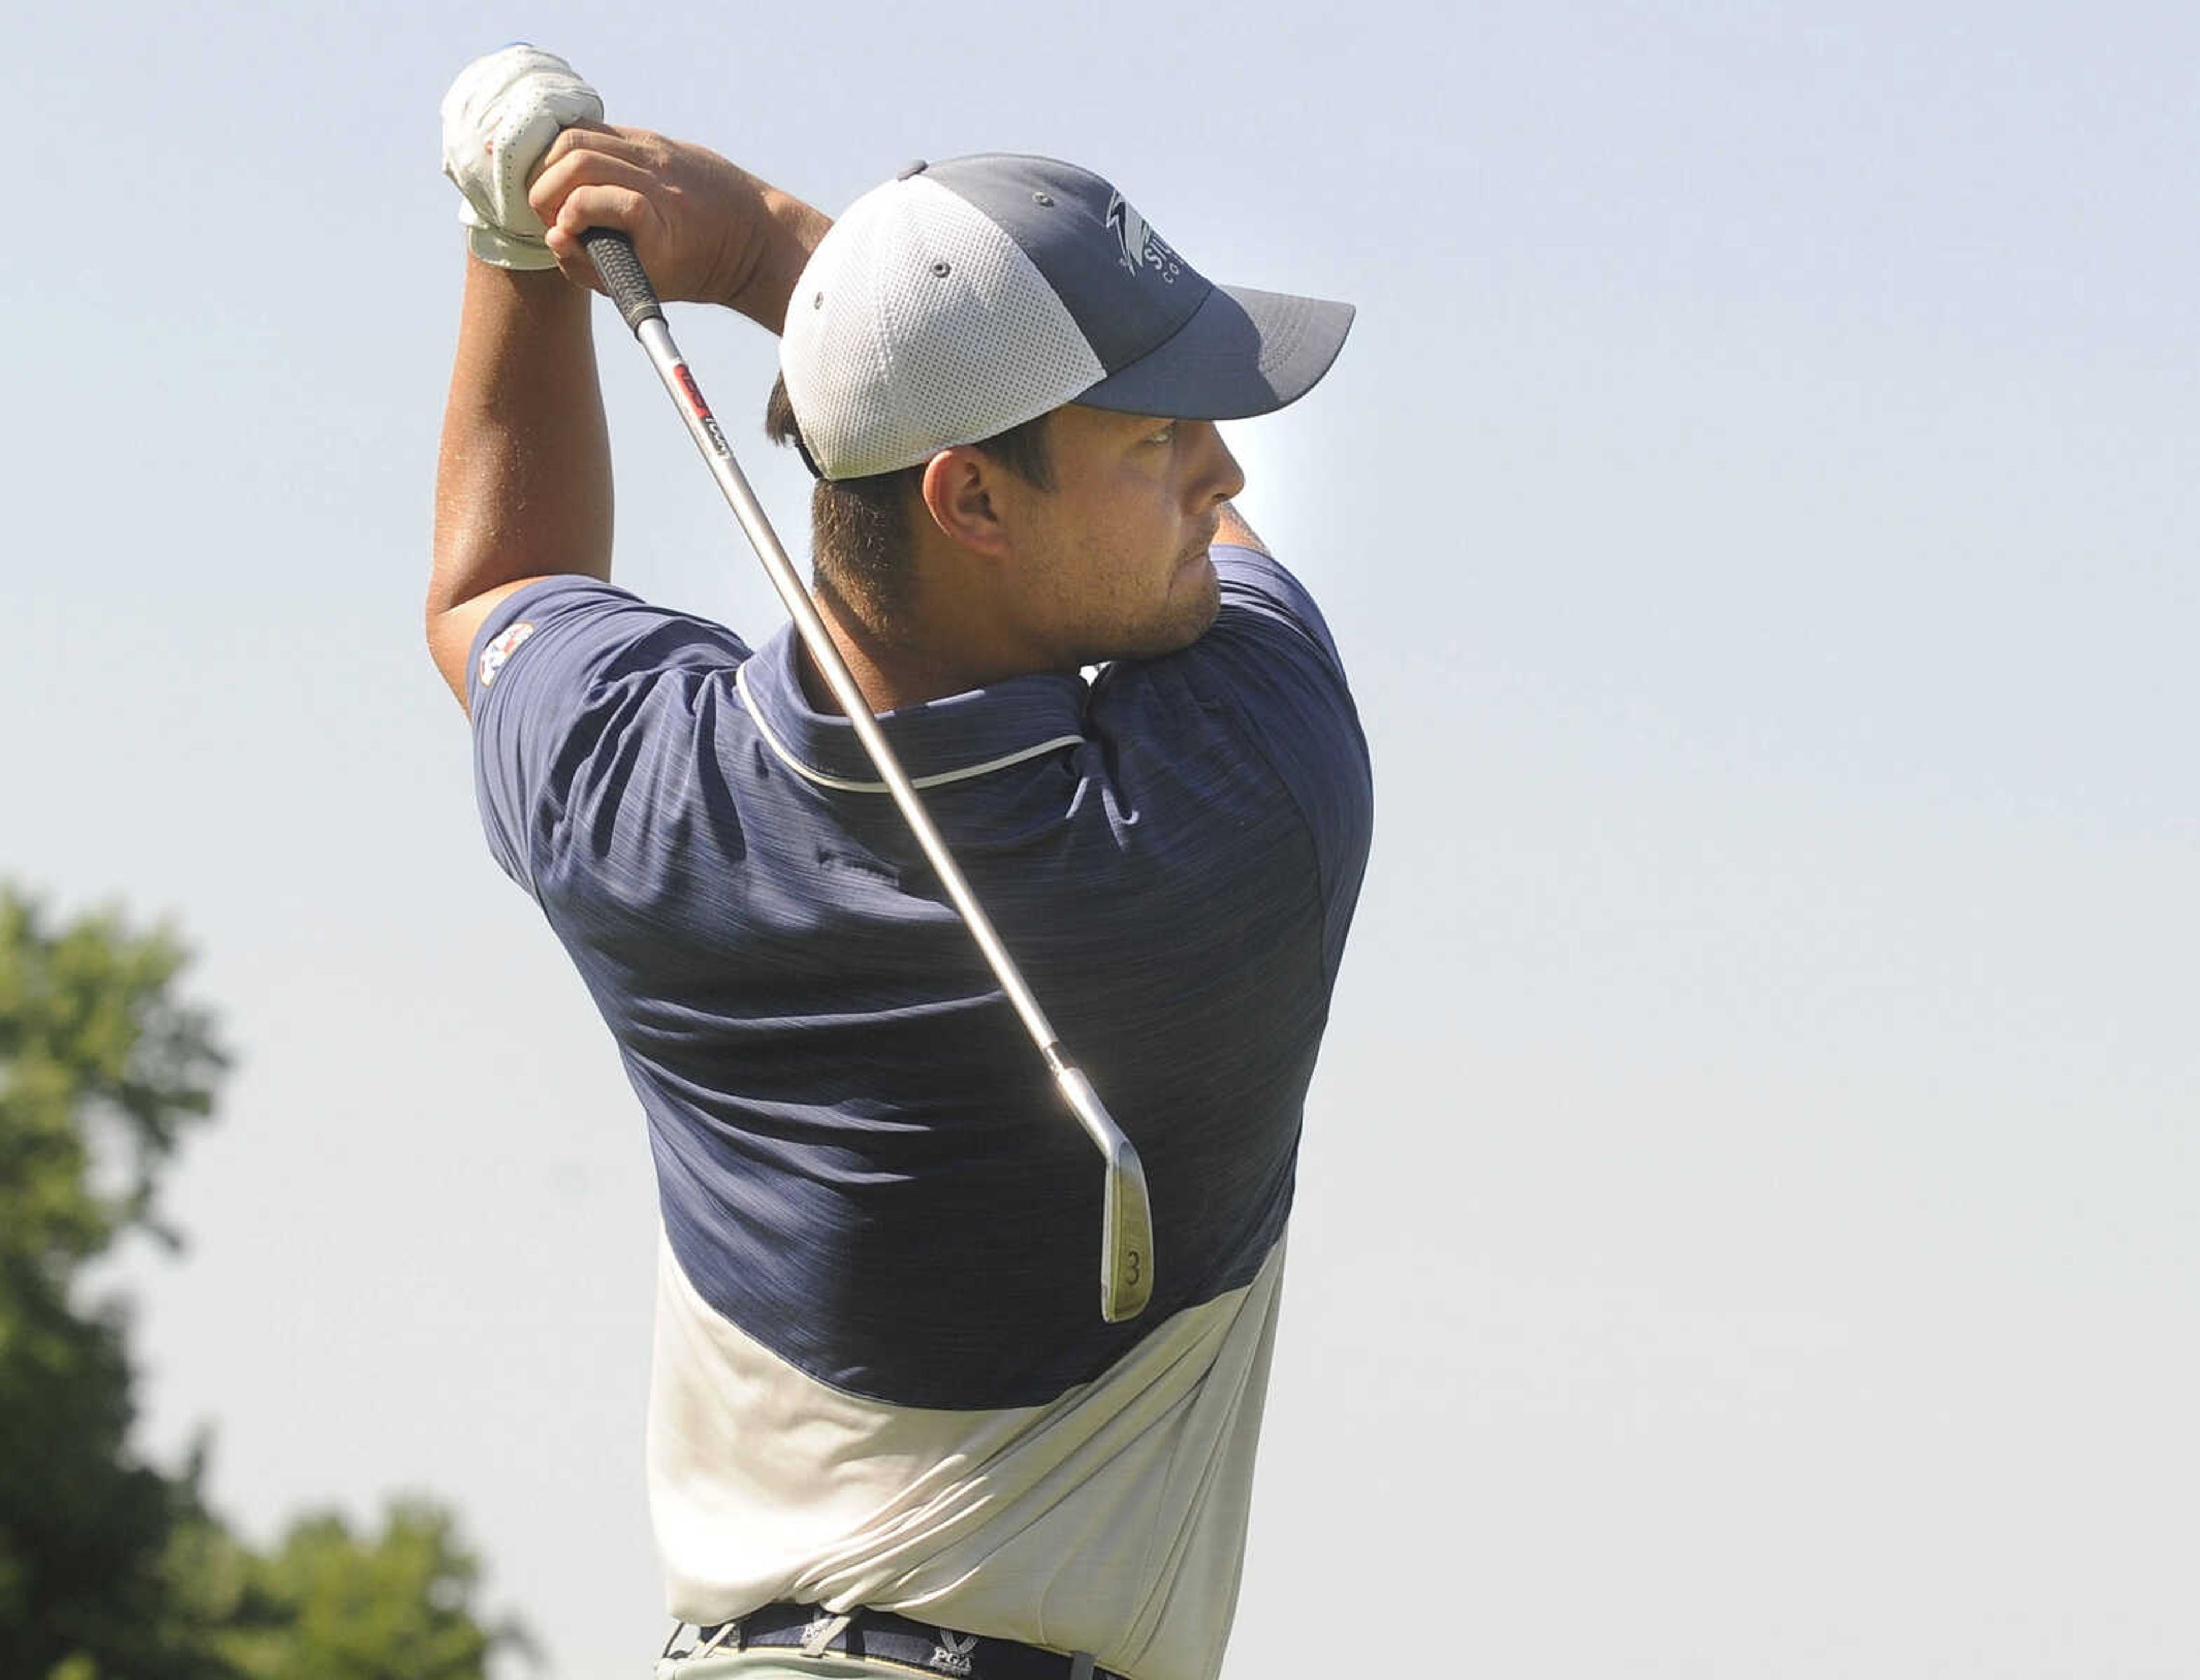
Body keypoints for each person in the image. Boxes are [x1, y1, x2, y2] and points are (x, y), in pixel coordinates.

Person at [429, 46, 1372, 1680]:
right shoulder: (1250, 807)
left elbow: (492, 590)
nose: (1221, 473)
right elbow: (1233, 571)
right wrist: (772, 247)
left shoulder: (634, 799)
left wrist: (518, 248)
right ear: (972, 501)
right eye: (1159, 439)